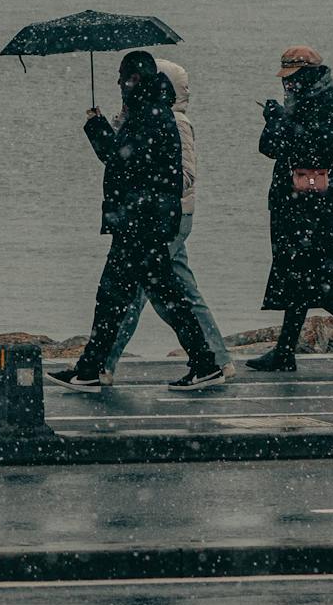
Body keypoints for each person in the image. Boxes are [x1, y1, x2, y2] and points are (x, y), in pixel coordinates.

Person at [50, 50, 229, 394]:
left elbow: (123, 161)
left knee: (123, 296)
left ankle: (95, 368)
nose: (120, 85)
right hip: (141, 221)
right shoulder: (151, 111)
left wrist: (97, 128)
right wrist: (104, 128)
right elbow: (126, 159)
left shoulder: (151, 116)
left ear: (134, 80)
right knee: (148, 294)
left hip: (140, 222)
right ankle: (201, 362)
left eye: (123, 79)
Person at [101, 60, 236, 385]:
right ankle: (216, 359)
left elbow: (184, 175)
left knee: (140, 291)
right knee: (180, 290)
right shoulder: (143, 117)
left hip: (166, 217)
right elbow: (119, 157)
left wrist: (149, 183)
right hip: (160, 215)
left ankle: (103, 364)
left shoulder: (174, 121)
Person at [247, 46, 333, 373]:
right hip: (291, 196)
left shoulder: (329, 99)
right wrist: (276, 120)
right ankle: (289, 349)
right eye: (285, 80)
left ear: (308, 74)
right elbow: (269, 148)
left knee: (307, 271)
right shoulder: (298, 101)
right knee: (300, 273)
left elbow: (322, 147)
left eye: (292, 79)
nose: (287, 86)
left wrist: (283, 122)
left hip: (311, 198)